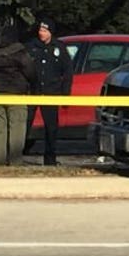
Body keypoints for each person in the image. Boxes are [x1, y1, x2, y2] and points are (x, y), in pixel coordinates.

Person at [0, 25, 35, 166]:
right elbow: (30, 71)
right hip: (16, 93)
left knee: (0, 127)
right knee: (17, 127)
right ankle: (15, 161)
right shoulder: (20, 52)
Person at [27, 18, 73, 166]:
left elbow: (68, 72)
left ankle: (50, 159)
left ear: (50, 33)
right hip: (33, 92)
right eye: (40, 30)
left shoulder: (59, 48)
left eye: (45, 31)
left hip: (51, 93)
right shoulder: (32, 47)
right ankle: (16, 156)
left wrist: (65, 94)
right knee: (25, 124)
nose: (41, 33)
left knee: (51, 127)